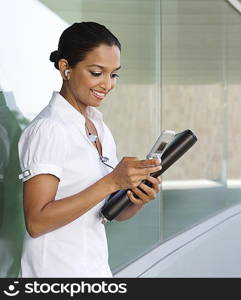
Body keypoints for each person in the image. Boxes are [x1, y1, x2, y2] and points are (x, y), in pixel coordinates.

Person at [17, 22, 162, 277]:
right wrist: (112, 181)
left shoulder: (99, 127)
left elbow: (107, 213)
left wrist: (136, 199)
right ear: (66, 69)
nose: (108, 84)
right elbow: (36, 222)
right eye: (97, 72)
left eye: (114, 74)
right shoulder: (49, 129)